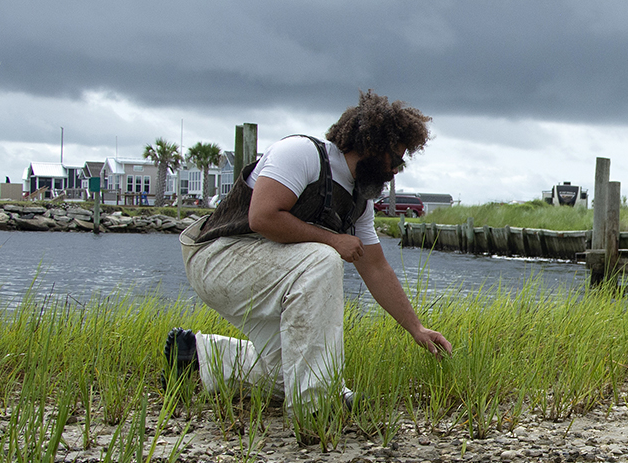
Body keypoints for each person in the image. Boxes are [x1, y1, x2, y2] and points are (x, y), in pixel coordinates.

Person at [166, 90, 452, 407]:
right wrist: (333, 239)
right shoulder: (302, 154)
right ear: (371, 146)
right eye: (395, 159)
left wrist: (417, 328)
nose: (396, 170)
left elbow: (375, 267)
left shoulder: (358, 202)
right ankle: (315, 405)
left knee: (286, 371)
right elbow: (262, 217)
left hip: (268, 276)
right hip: (217, 258)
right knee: (323, 258)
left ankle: (196, 355)